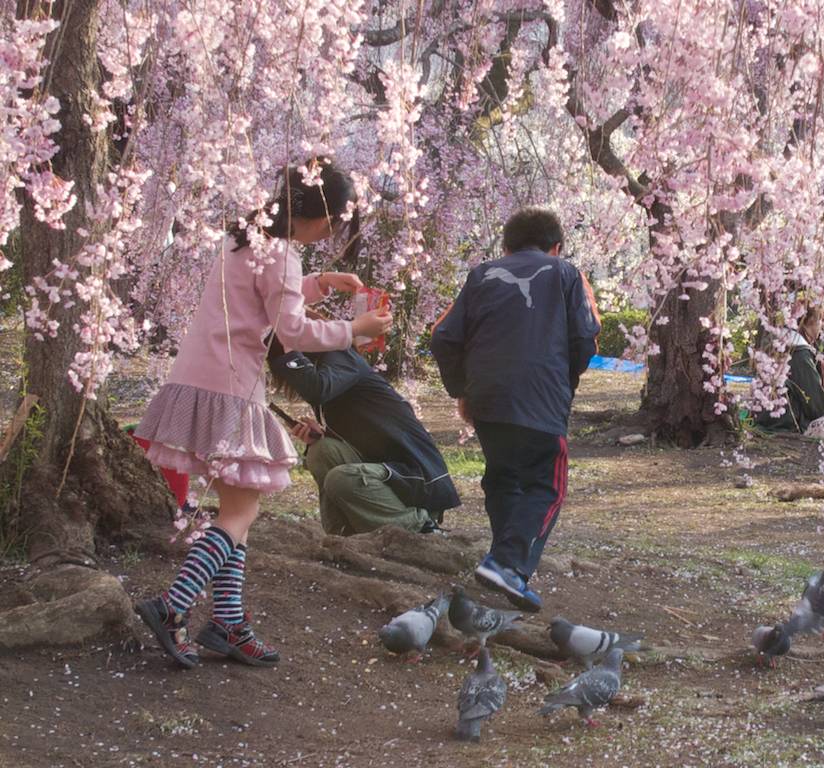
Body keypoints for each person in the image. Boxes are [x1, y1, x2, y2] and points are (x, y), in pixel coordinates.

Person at [131, 159, 393, 669]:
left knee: (237, 510)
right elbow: (291, 331)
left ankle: (228, 623)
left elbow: (263, 297)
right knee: (242, 511)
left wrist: (319, 281)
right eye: (335, 222)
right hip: (231, 386)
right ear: (319, 215)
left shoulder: (242, 239)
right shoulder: (284, 256)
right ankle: (172, 606)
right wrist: (354, 329)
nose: (332, 231)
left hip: (201, 378)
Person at [430, 207, 600, 612]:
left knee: (504, 477)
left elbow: (442, 337)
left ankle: (502, 563)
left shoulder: (482, 275)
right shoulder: (567, 274)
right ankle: (507, 564)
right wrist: (564, 381)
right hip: (542, 395)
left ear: (505, 246)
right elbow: (586, 337)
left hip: (488, 398)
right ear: (556, 247)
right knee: (548, 485)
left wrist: (462, 389)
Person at [266, 337, 461, 535]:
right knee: (321, 451)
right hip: (385, 474)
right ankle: (343, 533)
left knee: (341, 478)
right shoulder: (331, 369)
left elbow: (317, 388)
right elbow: (366, 433)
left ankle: (420, 527)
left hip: (415, 479)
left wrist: (288, 343)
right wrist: (322, 435)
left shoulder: (342, 356)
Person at [755, 306, 824, 433]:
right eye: (820, 321)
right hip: (787, 424)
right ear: (810, 321)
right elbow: (817, 406)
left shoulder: (777, 345)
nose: (821, 327)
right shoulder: (800, 354)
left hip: (765, 418)